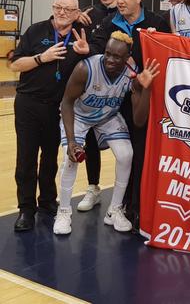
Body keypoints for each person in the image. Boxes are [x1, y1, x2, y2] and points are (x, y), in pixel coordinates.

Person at [54, 31, 159, 235]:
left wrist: (144, 88)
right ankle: (64, 211)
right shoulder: (86, 68)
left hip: (107, 116)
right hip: (79, 115)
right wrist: (73, 141)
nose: (110, 59)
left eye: (117, 56)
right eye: (107, 53)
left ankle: (114, 210)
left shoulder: (132, 73)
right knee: (71, 159)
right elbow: (66, 103)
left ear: (127, 56)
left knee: (126, 154)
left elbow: (138, 120)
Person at [89, 0, 170, 229]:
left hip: (143, 100)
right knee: (123, 156)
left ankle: (135, 208)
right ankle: (116, 205)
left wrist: (141, 67)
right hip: (113, 102)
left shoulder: (158, 23)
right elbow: (97, 54)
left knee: (140, 155)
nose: (119, 1)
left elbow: (167, 62)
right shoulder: (107, 22)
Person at [9, 0, 89, 231]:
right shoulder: (36, 30)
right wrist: (41, 58)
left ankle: (46, 201)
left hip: (57, 108)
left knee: (50, 158)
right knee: (26, 159)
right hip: (28, 104)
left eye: (67, 9)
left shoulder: (80, 37)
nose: (61, 12)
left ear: (77, 13)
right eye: (57, 7)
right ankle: (25, 209)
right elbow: (15, 64)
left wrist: (86, 52)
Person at [75, 0, 120, 213]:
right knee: (90, 140)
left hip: (119, 87)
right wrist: (75, 18)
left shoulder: (124, 14)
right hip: (93, 87)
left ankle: (123, 194)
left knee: (123, 144)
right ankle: (93, 187)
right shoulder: (89, 14)